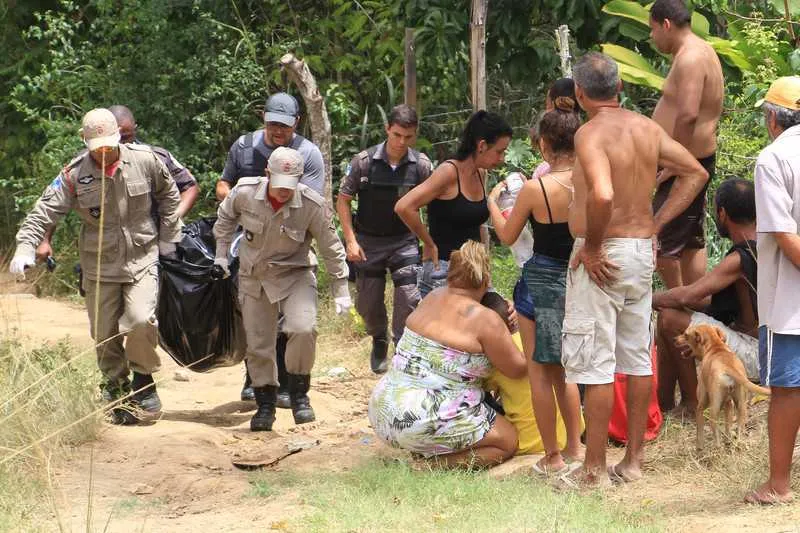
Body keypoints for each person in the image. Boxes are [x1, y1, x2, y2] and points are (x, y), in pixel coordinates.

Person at [558, 53, 708, 488]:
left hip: (605, 252)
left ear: (581, 94)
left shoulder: (590, 133)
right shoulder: (646, 128)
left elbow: (602, 196)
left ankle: (593, 469)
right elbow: (694, 172)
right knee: (637, 357)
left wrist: (592, 244)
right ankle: (633, 462)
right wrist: (654, 224)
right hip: (640, 251)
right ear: (619, 89)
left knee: (598, 364)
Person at [9, 108, 182, 424]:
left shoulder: (145, 160)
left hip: (142, 257)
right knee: (104, 334)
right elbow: (43, 212)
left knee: (142, 320)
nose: (104, 152)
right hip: (99, 264)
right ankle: (116, 389)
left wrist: (170, 235)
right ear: (84, 141)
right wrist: (24, 247)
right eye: (96, 146)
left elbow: (170, 193)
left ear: (119, 135)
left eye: (109, 144)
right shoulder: (74, 174)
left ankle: (144, 381)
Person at [212, 147, 351, 431]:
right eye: (280, 184)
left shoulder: (311, 205)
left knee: (303, 328)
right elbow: (224, 219)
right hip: (256, 276)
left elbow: (331, 247)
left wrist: (341, 288)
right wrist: (221, 255)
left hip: (295, 274)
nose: (285, 192)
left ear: (300, 179)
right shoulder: (245, 192)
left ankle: (299, 394)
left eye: (291, 185)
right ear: (267, 175)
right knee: (259, 343)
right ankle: (265, 404)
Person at [488, 100, 585, 475]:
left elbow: (508, 235)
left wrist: (493, 204)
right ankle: (576, 447)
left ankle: (553, 456)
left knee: (541, 372)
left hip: (539, 281)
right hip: (576, 277)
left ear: (544, 145)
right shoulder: (588, 181)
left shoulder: (534, 188)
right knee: (568, 370)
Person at [368, 241, 526, 468]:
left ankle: (423, 449)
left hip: (383, 411)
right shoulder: (486, 320)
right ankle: (429, 466)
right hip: (422, 419)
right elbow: (518, 368)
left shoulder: (432, 296)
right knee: (506, 441)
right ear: (486, 279)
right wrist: (520, 329)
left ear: (450, 275)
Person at [216, 92, 325, 405]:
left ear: (297, 124)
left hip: (289, 242)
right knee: (255, 315)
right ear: (263, 118)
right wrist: (238, 197)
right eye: (273, 124)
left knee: (291, 321)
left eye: (285, 127)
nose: (278, 131)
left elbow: (308, 201)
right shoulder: (244, 147)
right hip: (248, 239)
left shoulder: (309, 154)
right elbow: (224, 184)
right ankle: (256, 379)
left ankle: (289, 382)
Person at [34, 105, 199, 263]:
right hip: (104, 248)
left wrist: (171, 222)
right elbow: (56, 201)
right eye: (116, 137)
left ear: (135, 129)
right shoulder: (85, 163)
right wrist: (45, 240)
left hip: (152, 241)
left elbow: (189, 187)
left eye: (126, 137)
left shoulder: (154, 157)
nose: (121, 144)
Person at [337, 105, 432, 374]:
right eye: (398, 135)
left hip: (404, 241)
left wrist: (430, 243)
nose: (402, 142)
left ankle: (401, 348)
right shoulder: (363, 162)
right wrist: (350, 240)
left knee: (409, 297)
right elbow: (343, 201)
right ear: (387, 129)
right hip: (368, 241)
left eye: (409, 137)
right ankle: (378, 338)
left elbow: (435, 204)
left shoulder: (422, 166)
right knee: (367, 303)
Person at [653, 178, 759, 415]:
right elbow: (708, 301)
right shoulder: (768, 243)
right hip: (767, 348)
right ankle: (663, 404)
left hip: (757, 355)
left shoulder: (741, 256)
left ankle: (693, 404)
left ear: (722, 213)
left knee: (670, 318)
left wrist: (644, 298)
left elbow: (689, 296)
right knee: (668, 318)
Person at [746, 76, 800, 505]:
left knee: (786, 391)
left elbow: (785, 235)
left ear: (772, 118)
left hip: (789, 305)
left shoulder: (773, 158)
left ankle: (778, 486)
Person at [395, 111, 513, 297]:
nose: (502, 159)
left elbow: (478, 225)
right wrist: (428, 243)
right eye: (499, 151)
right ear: (481, 145)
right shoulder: (448, 172)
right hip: (443, 270)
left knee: (501, 314)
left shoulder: (481, 174)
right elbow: (404, 206)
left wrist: (484, 264)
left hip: (473, 270)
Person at [649, 0, 724, 290]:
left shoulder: (691, 57)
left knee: (661, 237)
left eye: (653, 30)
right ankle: (697, 302)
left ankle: (680, 301)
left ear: (666, 24)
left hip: (686, 162)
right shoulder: (699, 50)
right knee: (691, 239)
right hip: (692, 158)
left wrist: (673, 160)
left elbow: (689, 114)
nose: (653, 38)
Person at [481, 292, 580, 457]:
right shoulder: (544, 338)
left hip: (529, 442)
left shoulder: (496, 355)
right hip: (570, 435)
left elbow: (481, 388)